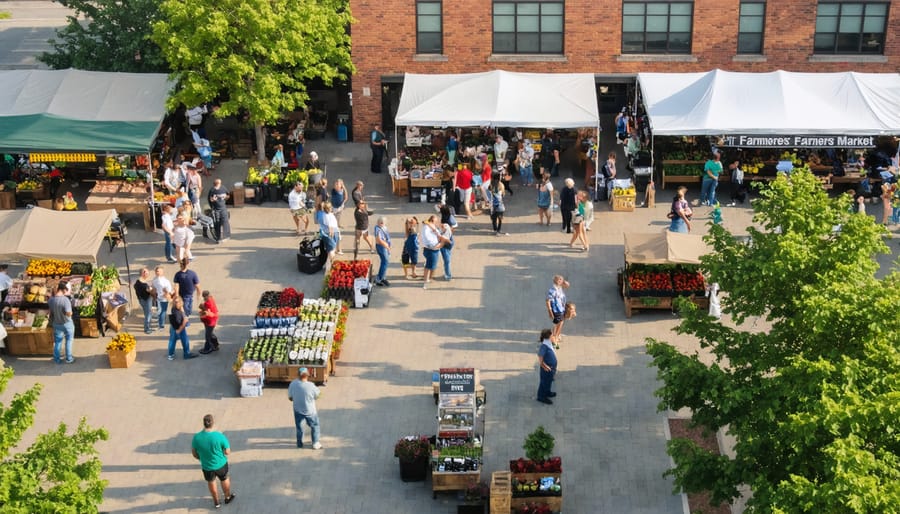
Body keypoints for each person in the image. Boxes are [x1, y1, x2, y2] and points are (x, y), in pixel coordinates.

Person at [191, 414, 235, 509]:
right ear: (213, 423)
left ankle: (216, 502)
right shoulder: (219, 436)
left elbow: (194, 453)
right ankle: (227, 497)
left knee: (211, 482)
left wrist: (201, 458)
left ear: (204, 424)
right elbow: (228, 452)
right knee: (224, 479)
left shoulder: (197, 438)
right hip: (221, 464)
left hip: (207, 466)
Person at [288, 367, 322, 449]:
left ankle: (299, 443)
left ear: (298, 375)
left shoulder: (293, 384)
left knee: (299, 427)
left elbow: (290, 398)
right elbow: (318, 395)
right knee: (315, 426)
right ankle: (315, 443)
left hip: (298, 410)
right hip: (310, 411)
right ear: (307, 375)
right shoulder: (311, 386)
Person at [49, 281, 75, 364]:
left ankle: (57, 359)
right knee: (69, 340)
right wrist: (70, 313)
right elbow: (68, 313)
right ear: (63, 290)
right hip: (66, 323)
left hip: (56, 323)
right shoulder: (65, 300)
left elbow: (51, 312)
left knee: (58, 342)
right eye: (66, 290)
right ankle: (69, 358)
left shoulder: (51, 300)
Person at [167, 296, 197, 360]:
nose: (178, 303)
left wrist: (182, 310)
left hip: (173, 327)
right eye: (176, 302)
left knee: (172, 341)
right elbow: (180, 322)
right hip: (178, 328)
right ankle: (186, 354)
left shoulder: (174, 308)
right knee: (184, 340)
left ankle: (170, 354)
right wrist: (184, 323)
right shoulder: (177, 312)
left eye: (178, 302)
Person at [420, 215, 444, 288]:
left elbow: (438, 234)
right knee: (429, 266)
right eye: (436, 221)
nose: (437, 223)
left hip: (433, 249)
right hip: (431, 249)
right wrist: (434, 246)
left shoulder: (431, 227)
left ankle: (429, 278)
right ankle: (425, 281)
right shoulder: (426, 228)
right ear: (432, 221)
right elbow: (427, 238)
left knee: (432, 265)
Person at [546, 275, 569, 346]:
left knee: (560, 322)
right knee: (558, 323)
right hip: (556, 310)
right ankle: (554, 338)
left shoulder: (559, 288)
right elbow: (547, 301)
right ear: (555, 281)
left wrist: (564, 282)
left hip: (561, 308)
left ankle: (556, 336)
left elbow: (567, 285)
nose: (561, 281)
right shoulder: (553, 290)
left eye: (561, 280)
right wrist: (550, 311)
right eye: (559, 280)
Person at [536, 329, 558, 405]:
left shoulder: (549, 342)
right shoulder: (544, 346)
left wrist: (555, 342)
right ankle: (541, 396)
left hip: (552, 368)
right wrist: (544, 366)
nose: (553, 336)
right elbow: (540, 357)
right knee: (544, 382)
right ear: (549, 336)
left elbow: (557, 347)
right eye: (552, 335)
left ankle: (547, 392)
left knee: (549, 381)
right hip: (547, 368)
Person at [134, 268, 156, 334]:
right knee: (148, 314)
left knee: (146, 312)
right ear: (143, 273)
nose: (148, 274)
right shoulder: (144, 285)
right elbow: (151, 292)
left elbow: (135, 288)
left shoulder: (137, 282)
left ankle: (148, 326)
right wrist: (152, 290)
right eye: (147, 273)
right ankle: (147, 328)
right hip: (147, 300)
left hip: (141, 300)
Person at [371, 216, 392, 286]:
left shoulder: (383, 227)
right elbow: (379, 240)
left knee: (384, 262)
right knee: (385, 262)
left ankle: (382, 277)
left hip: (384, 247)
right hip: (382, 247)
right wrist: (387, 246)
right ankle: (379, 278)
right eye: (380, 222)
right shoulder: (378, 229)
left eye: (382, 223)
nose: (381, 224)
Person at [152, 266, 173, 331]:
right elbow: (154, 289)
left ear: (162, 272)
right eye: (156, 271)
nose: (157, 272)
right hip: (158, 298)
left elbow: (169, 290)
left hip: (164, 299)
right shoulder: (154, 280)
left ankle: (161, 326)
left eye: (159, 271)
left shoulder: (166, 281)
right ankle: (160, 323)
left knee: (162, 312)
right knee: (160, 312)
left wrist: (165, 294)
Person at [319, 201, 339, 267]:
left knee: (329, 249)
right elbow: (330, 226)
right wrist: (331, 233)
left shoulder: (325, 214)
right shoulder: (328, 215)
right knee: (332, 250)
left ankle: (327, 263)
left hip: (328, 233)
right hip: (332, 232)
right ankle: (331, 264)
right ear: (327, 208)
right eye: (330, 207)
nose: (331, 208)